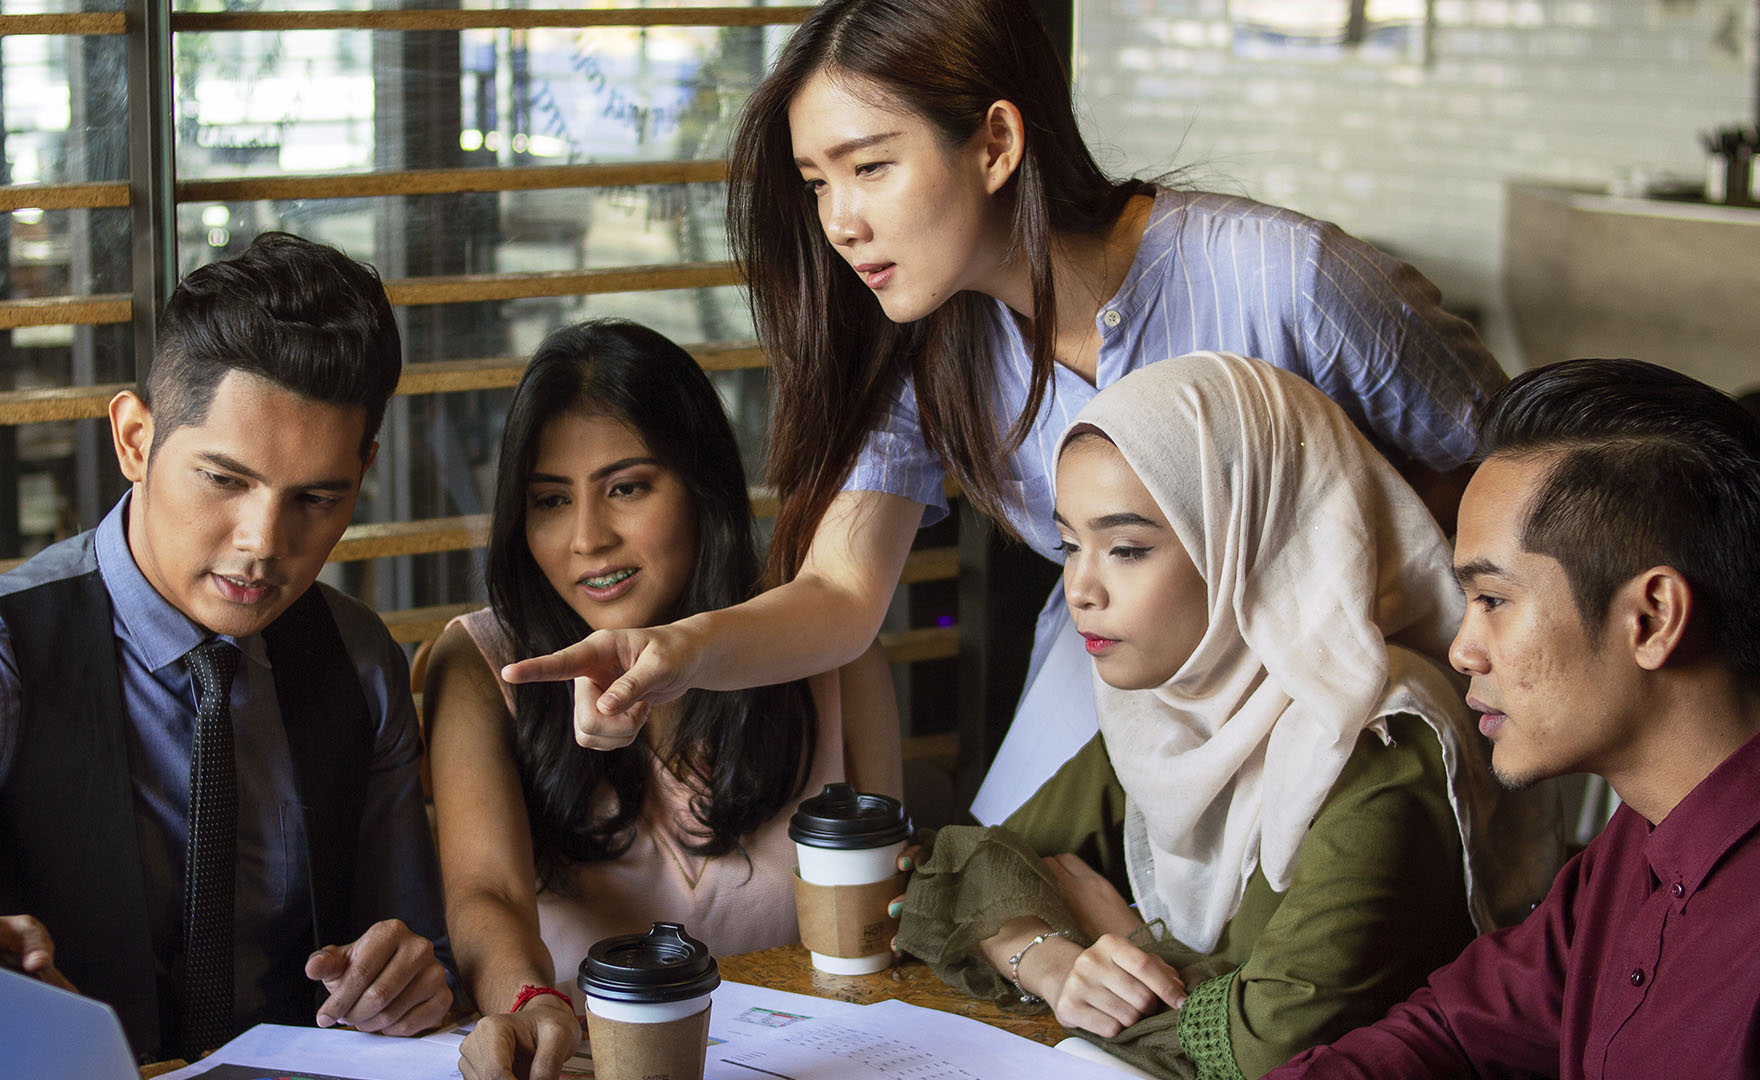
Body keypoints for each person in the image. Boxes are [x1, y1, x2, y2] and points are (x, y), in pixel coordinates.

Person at [499, 0, 1507, 819]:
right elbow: (844, 596)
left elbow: (1509, 470)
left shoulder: (1285, 279)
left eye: (871, 166)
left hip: (1342, 669)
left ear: (994, 142)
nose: (840, 222)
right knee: (1004, 894)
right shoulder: (924, 341)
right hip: (1121, 664)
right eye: (816, 183)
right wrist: (676, 652)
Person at [0, 233, 453, 1066]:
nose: (263, 543)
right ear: (135, 438)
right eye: (224, 479)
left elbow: (424, 954)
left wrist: (409, 981)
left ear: (363, 472)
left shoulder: (358, 662)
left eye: (317, 496)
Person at [894, 353, 1563, 1080]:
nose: (1081, 588)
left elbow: (1264, 1047)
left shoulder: (1381, 744)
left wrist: (1121, 940)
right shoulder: (1177, 706)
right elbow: (949, 869)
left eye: (1126, 549)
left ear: (1252, 541)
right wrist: (1052, 959)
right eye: (1069, 544)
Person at [421, 320, 903, 1080]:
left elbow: (888, 901)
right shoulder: (482, 665)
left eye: (626, 487)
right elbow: (489, 895)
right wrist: (529, 1002)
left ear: (701, 485)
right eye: (550, 501)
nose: (587, 538)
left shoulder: (830, 651)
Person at [1267, 359, 1760, 1079]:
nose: (1463, 651)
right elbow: (1453, 1032)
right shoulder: (1634, 845)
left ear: (1651, 618)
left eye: (1493, 599)